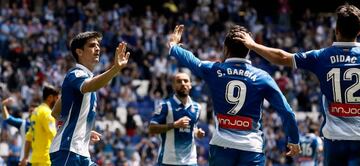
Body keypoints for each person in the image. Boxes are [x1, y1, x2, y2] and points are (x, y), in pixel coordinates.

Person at [237, 4, 360, 165]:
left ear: (336, 30)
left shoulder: (322, 56)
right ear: (358, 31)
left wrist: (252, 45)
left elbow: (281, 57)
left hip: (334, 139)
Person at [167, 25, 301, 165]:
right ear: (249, 49)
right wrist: (294, 140)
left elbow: (191, 60)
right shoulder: (262, 77)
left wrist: (174, 46)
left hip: (221, 147)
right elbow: (286, 111)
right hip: (251, 149)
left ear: (225, 48)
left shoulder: (214, 70)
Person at [49, 31, 130, 166]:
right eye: (92, 45)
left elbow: (56, 112)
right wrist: (115, 69)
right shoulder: (76, 74)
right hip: (67, 151)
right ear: (79, 52)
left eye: (98, 45)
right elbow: (90, 86)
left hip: (81, 153)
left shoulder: (81, 78)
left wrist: (81, 127)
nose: (97, 48)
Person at [148, 72, 205, 165]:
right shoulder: (165, 106)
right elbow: (152, 129)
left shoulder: (197, 107)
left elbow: (193, 127)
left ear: (190, 85)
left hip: (190, 161)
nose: (183, 83)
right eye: (179, 81)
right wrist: (174, 125)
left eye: (186, 81)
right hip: (168, 161)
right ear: (173, 86)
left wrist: (197, 133)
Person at [19, 84, 60, 166]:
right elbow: (53, 136)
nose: (58, 101)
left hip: (35, 159)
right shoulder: (47, 113)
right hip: (45, 160)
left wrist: (25, 157)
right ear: (50, 98)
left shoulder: (35, 112)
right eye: (56, 98)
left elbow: (29, 137)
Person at [1, 97, 35, 165]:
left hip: (39, 161)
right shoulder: (23, 124)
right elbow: (8, 118)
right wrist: (3, 105)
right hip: (25, 161)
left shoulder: (43, 125)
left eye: (34, 111)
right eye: (30, 111)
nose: (32, 113)